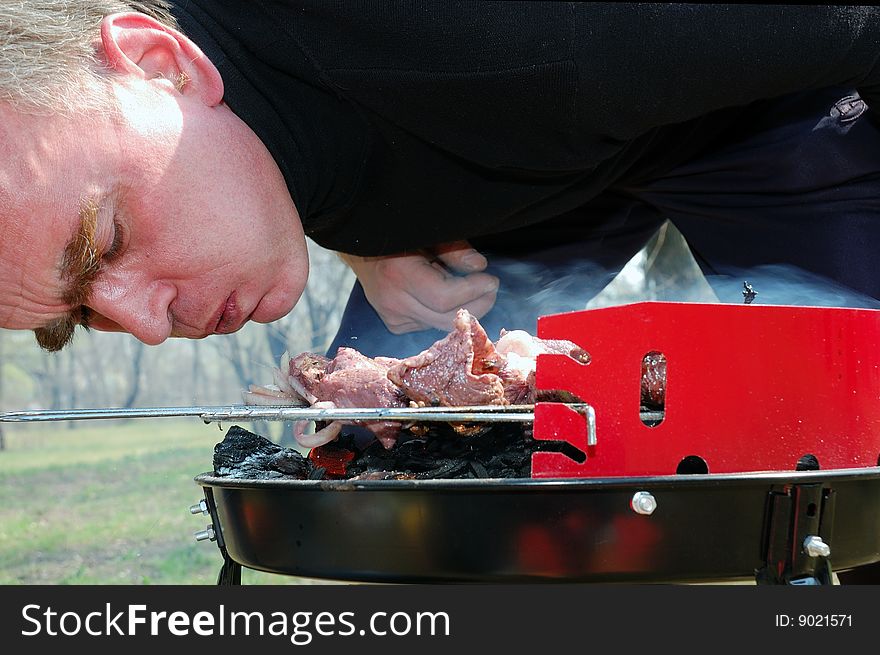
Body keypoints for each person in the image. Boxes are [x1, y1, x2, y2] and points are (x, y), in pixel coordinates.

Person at [4, 1, 880, 358]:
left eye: (106, 243)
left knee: (849, 462)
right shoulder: (198, 113)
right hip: (523, 165)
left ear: (158, 63)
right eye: (84, 312)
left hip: (775, 107)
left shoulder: (515, 37)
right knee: (382, 468)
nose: (150, 327)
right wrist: (358, 237)